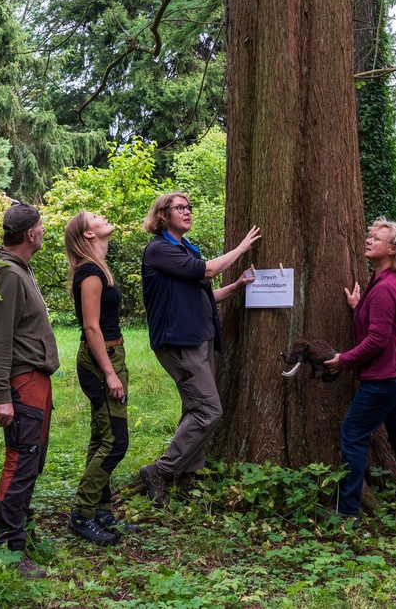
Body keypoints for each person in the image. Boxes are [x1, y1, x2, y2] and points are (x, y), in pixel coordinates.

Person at [139, 191, 260, 505]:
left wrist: (236, 287)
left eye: (189, 206)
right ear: (163, 215)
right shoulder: (159, 249)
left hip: (200, 338)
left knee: (196, 409)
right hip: (179, 342)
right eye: (180, 207)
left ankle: (188, 475)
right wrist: (242, 248)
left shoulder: (186, 249)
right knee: (209, 410)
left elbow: (204, 294)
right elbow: (206, 272)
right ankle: (160, 471)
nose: (188, 211)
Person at [324, 218, 396, 518]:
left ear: (393, 250)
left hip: (388, 376)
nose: (369, 240)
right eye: (370, 236)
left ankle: (346, 509)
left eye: (377, 239)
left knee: (353, 432)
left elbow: (378, 340)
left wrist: (343, 360)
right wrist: (359, 308)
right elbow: (384, 323)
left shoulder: (386, 286)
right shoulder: (388, 280)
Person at [0, 203, 59, 576]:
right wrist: (2, 397)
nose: (43, 232)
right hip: (21, 382)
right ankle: (9, 549)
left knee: (33, 461)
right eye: (41, 227)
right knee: (20, 462)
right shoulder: (7, 274)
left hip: (36, 380)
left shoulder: (21, 270)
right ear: (31, 233)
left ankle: (19, 533)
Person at [63, 211, 129, 545]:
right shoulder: (89, 272)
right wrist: (109, 373)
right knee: (116, 441)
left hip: (111, 355)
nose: (102, 216)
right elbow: (91, 327)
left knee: (101, 436)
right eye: (95, 217)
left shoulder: (99, 267)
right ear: (87, 235)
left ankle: (101, 512)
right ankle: (82, 516)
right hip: (99, 360)